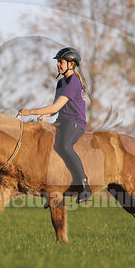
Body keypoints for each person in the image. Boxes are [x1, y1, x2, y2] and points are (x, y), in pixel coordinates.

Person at [18, 47, 92, 204]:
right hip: (62, 121)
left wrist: (30, 111)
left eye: (61, 62)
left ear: (71, 64)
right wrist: (44, 116)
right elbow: (55, 108)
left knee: (64, 146)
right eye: (58, 62)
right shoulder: (61, 83)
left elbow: (56, 107)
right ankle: (57, 190)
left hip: (75, 122)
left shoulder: (73, 82)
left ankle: (85, 186)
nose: (58, 65)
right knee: (45, 146)